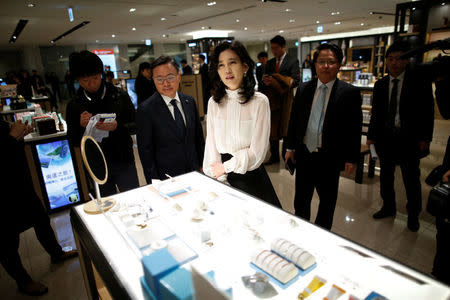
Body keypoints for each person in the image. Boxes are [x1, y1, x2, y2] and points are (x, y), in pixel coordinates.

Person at [284, 43, 362, 230]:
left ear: (339, 65)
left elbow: (354, 128)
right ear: (315, 64)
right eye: (321, 62)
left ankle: (322, 234)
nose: (326, 66)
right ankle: (301, 231)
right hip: (305, 154)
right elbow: (294, 121)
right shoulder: (304, 89)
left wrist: (352, 158)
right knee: (301, 200)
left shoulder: (349, 93)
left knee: (327, 203)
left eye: (331, 62)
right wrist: (290, 148)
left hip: (330, 157)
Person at [0, 119, 77, 296]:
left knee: (41, 219)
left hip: (19, 184)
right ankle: (24, 281)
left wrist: (18, 136)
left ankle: (56, 253)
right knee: (6, 241)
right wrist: (12, 137)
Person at [203, 41, 281, 208]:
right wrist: (220, 178)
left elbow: (258, 152)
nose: (227, 70)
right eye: (221, 65)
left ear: (245, 66)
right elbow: (211, 146)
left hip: (250, 176)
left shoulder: (259, 102)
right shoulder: (213, 102)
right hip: (220, 175)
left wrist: (225, 167)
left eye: (232, 62)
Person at [367, 41, 434, 232]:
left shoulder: (418, 83)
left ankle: (413, 214)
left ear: (407, 60)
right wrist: (371, 137)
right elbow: (376, 113)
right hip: (386, 138)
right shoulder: (380, 85)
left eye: (399, 59)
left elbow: (427, 112)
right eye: (390, 59)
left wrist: (425, 138)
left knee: (411, 179)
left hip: (409, 139)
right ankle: (388, 207)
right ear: (386, 61)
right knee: (386, 176)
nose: (394, 63)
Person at [66, 50, 139, 196]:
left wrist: (117, 126)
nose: (91, 84)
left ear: (101, 74)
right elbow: (73, 140)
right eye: (85, 80)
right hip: (96, 163)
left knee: (133, 198)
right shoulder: (74, 105)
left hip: (123, 159)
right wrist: (81, 126)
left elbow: (135, 125)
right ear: (78, 80)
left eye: (94, 78)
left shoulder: (119, 95)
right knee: (106, 204)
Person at [137, 55, 205, 184]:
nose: (166, 83)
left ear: (179, 76)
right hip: (167, 178)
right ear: (153, 80)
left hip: (194, 172)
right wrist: (154, 182)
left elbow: (198, 138)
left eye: (170, 77)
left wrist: (202, 164)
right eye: (159, 79)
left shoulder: (189, 101)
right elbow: (146, 152)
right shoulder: (146, 110)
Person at [263, 35, 300, 165]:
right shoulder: (270, 62)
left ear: (283, 47)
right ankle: (274, 157)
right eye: (272, 48)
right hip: (272, 99)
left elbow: (296, 80)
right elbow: (265, 77)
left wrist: (281, 79)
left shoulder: (292, 61)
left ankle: (287, 156)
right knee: (273, 129)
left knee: (286, 128)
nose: (274, 51)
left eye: (276, 48)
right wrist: (267, 81)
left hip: (286, 99)